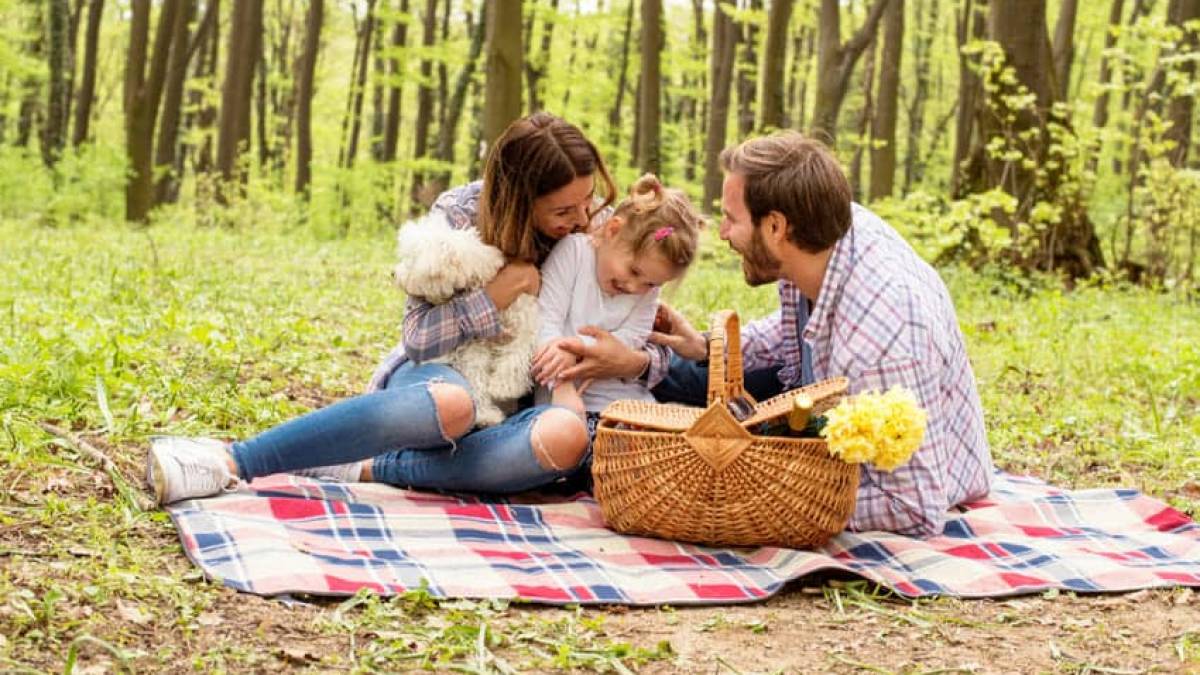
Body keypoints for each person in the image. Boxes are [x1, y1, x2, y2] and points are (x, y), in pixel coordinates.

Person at [146, 112, 661, 505]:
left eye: (588, 201)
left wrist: (632, 361)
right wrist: (496, 294)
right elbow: (417, 338)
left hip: (518, 410)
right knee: (452, 408)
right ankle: (233, 459)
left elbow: (651, 325)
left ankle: (369, 468)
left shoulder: (602, 230)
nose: (581, 219)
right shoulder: (461, 214)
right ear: (520, 198)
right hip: (442, 378)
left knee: (565, 439)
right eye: (562, 211)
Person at [567, 132, 994, 537]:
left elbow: (913, 505)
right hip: (813, 399)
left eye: (732, 219)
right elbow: (796, 333)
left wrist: (756, 503)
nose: (721, 233)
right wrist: (709, 346)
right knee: (692, 388)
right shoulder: (820, 241)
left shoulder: (883, 330)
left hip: (898, 477)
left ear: (775, 227)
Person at [532, 174, 703, 436]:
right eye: (634, 271)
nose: (636, 288)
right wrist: (561, 384)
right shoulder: (575, 254)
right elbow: (544, 322)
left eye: (650, 284)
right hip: (568, 399)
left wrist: (576, 347)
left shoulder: (646, 290)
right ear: (613, 231)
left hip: (628, 402)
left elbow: (633, 338)